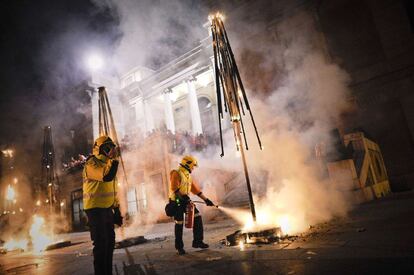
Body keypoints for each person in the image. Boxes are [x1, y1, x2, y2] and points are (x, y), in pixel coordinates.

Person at [83, 136, 123, 275]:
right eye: (106, 148)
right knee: (101, 244)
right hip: (94, 209)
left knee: (110, 242)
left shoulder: (109, 164)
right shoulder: (91, 163)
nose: (110, 151)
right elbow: (107, 177)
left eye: (111, 148)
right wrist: (115, 160)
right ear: (99, 149)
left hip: (106, 209)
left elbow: (113, 190)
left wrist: (117, 210)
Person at [169, 155, 215, 255]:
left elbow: (196, 190)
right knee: (179, 223)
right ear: (187, 164)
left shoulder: (188, 176)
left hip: (185, 201)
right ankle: (179, 247)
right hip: (176, 202)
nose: (193, 168)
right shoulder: (176, 173)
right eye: (192, 166)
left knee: (197, 216)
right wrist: (184, 197)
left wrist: (206, 200)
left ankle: (198, 242)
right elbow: (174, 188)